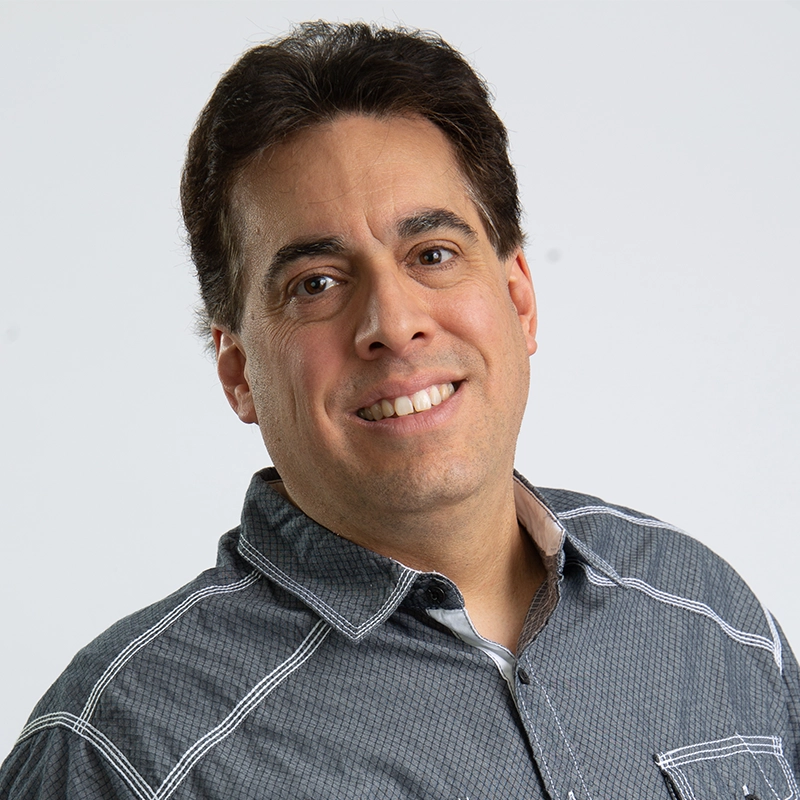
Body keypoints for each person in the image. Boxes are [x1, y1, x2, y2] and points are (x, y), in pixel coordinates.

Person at [1, 20, 797, 800]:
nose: (393, 322)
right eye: (315, 282)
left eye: (433, 255)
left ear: (519, 300)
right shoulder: (125, 754)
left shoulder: (709, 617)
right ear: (237, 371)